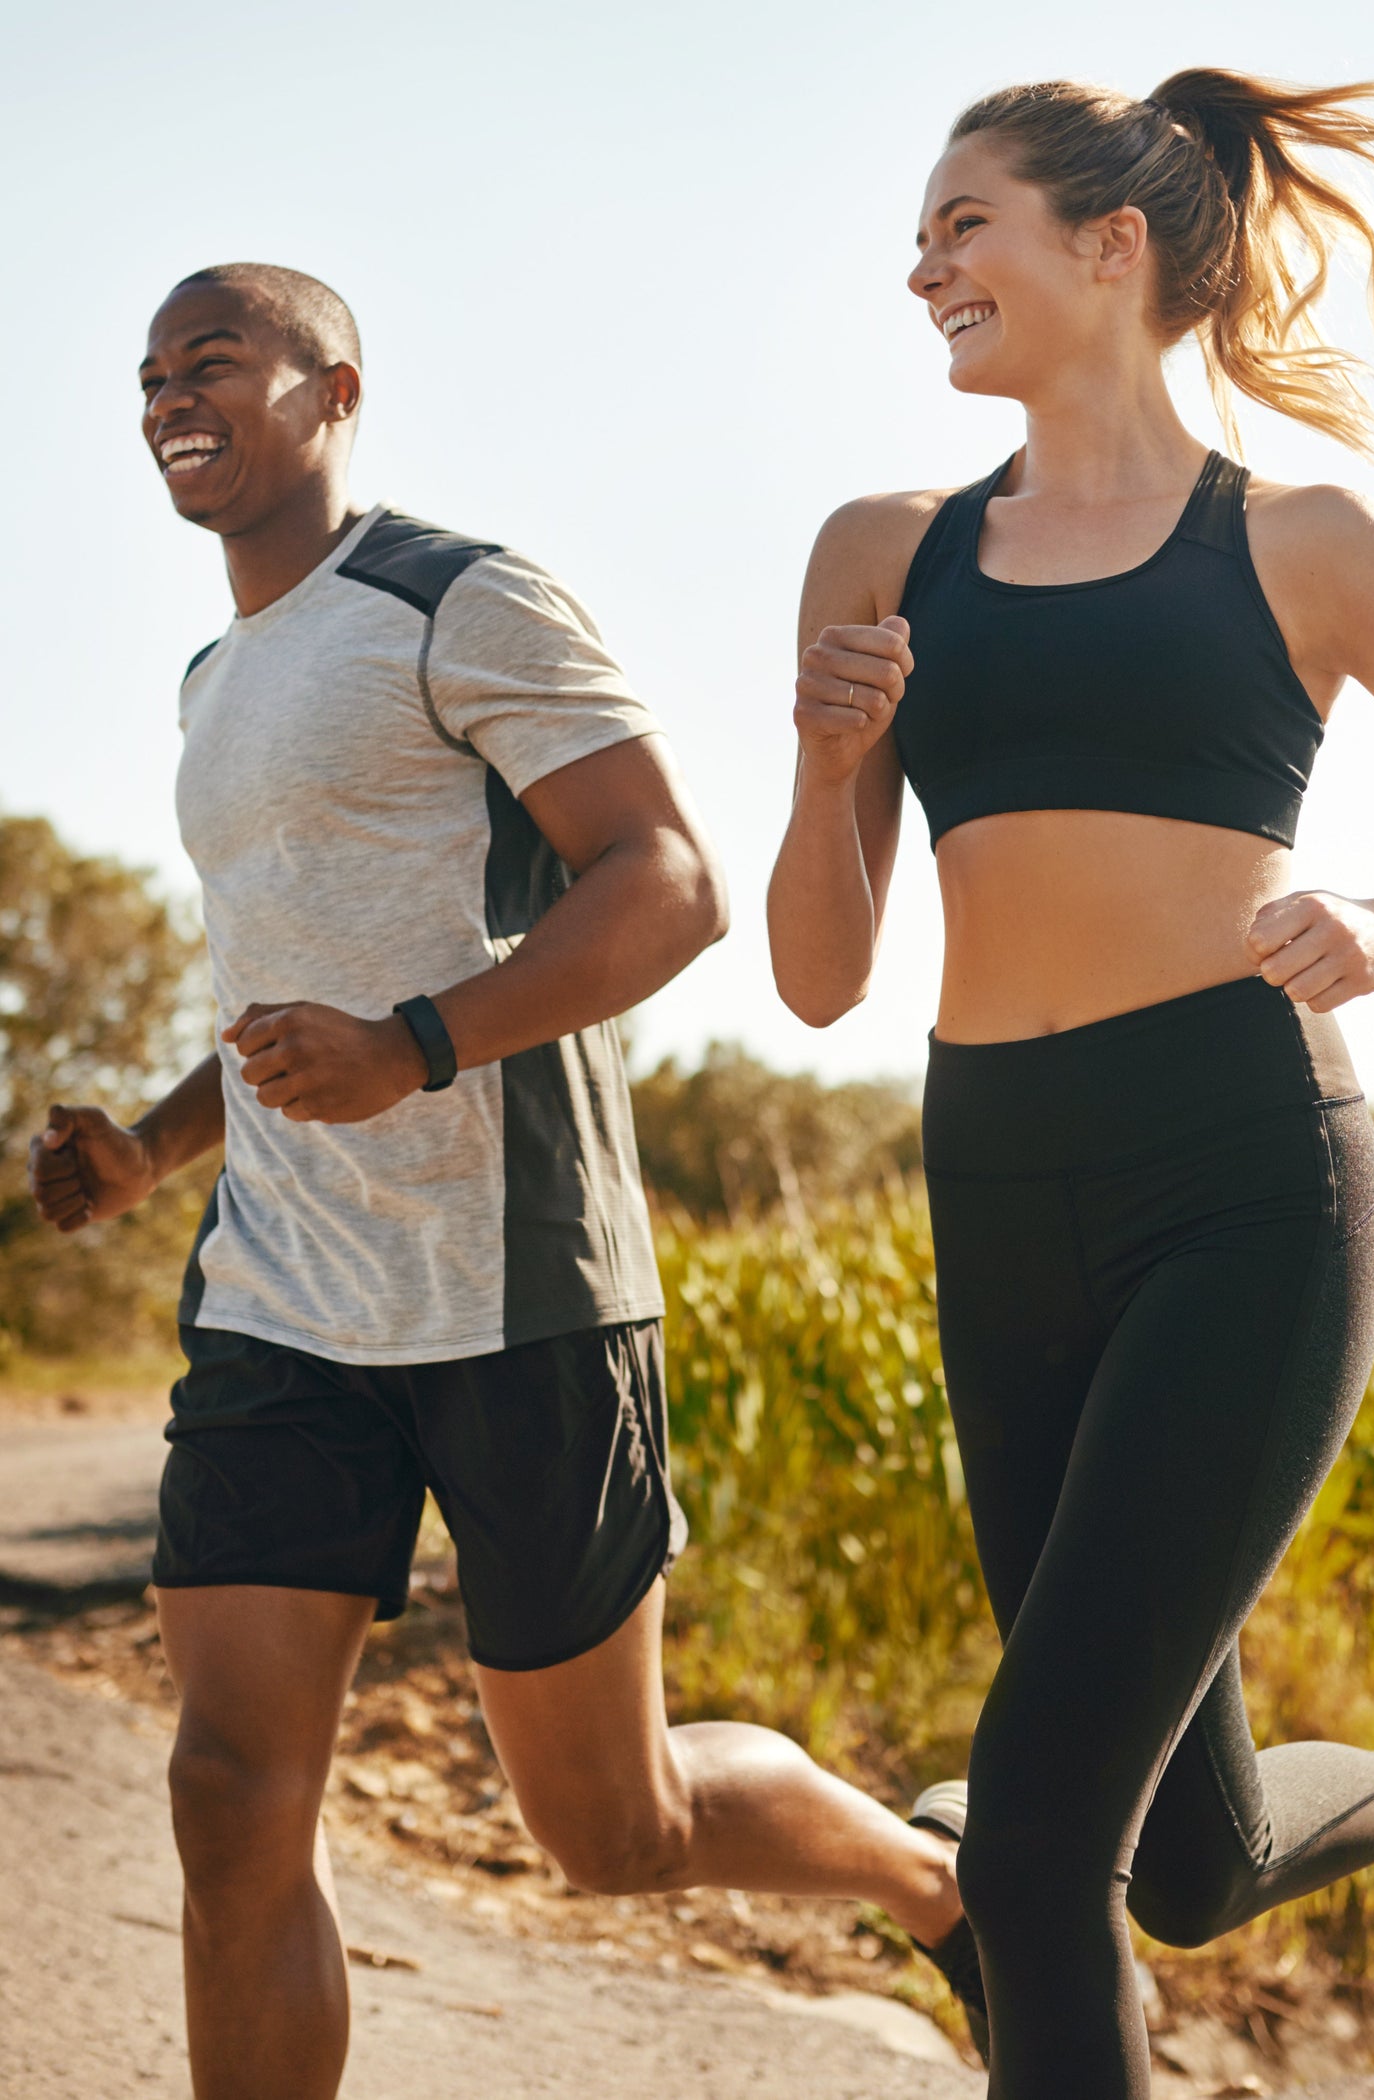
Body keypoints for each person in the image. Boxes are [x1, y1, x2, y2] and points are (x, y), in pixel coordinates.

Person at [26, 262, 982, 2100]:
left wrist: (417, 1044)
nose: (168, 397)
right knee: (229, 1802)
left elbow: (668, 883)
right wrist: (153, 1147)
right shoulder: (214, 676)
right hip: (282, 1297)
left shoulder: (458, 596)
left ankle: (942, 1891)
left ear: (335, 387)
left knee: (609, 1831)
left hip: (519, 1287)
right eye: (147, 377)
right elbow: (267, 991)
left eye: (211, 361)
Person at [767, 69, 1374, 2100]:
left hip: (1242, 1180)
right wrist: (831, 770)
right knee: (1186, 1859)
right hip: (997, 1179)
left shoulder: (1306, 542)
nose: (922, 266)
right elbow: (819, 980)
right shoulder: (881, 549)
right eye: (918, 234)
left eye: (962, 222)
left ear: (1114, 247)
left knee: (1027, 1841)